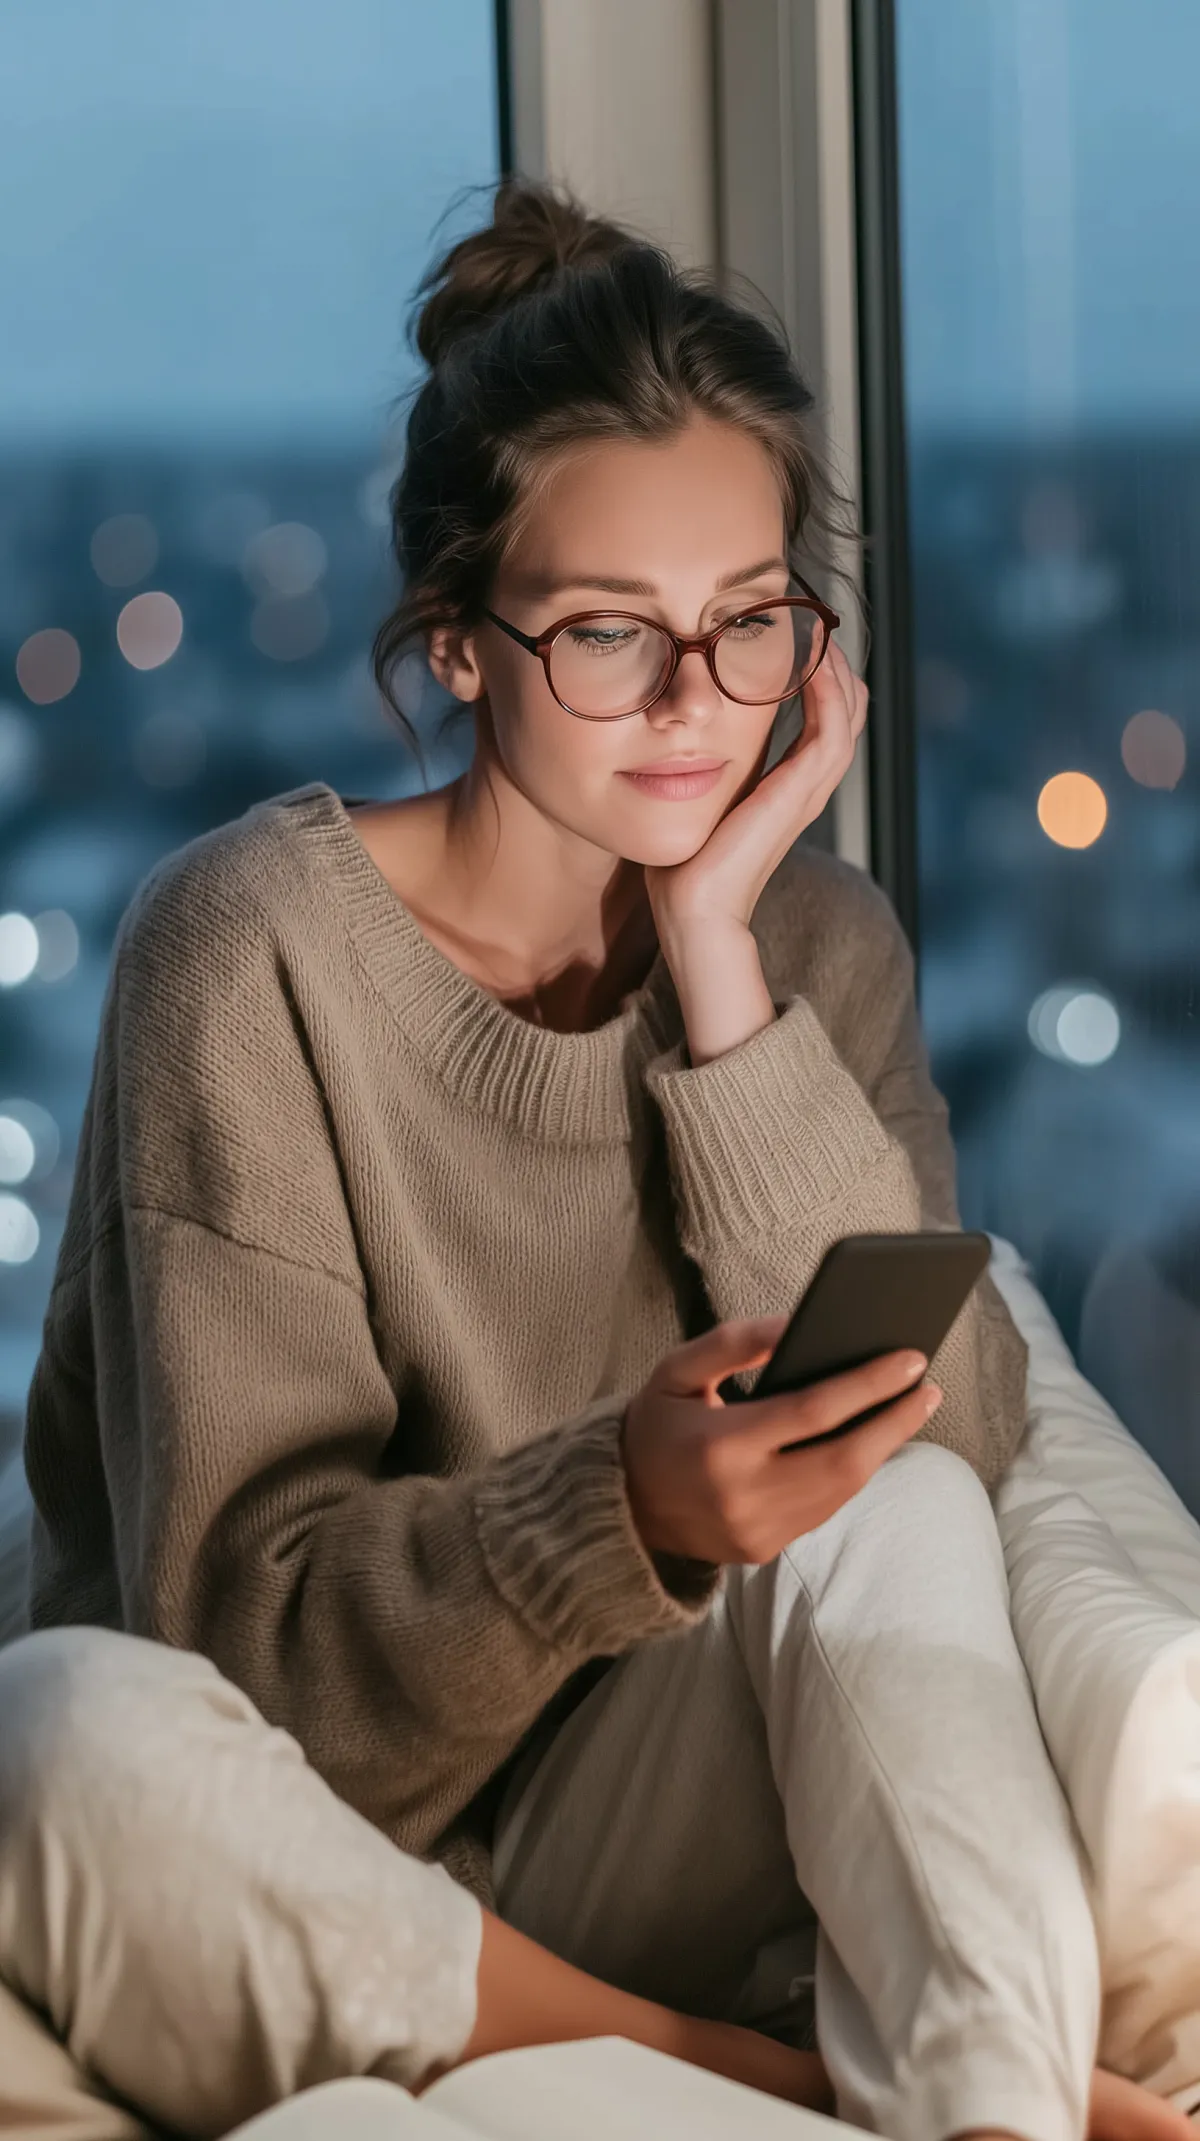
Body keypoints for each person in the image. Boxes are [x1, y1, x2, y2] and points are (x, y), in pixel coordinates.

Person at [7, 178, 1181, 2141]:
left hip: (665, 1822)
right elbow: (246, 1666)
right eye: (608, 635)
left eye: (745, 630)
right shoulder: (245, 952)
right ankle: (785, 2086)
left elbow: (961, 1447)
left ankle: (983, 2111)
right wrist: (616, 1506)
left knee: (884, 1502)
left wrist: (723, 963)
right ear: (460, 644)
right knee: (57, 1726)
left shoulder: (818, 950)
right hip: (303, 1857)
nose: (691, 705)